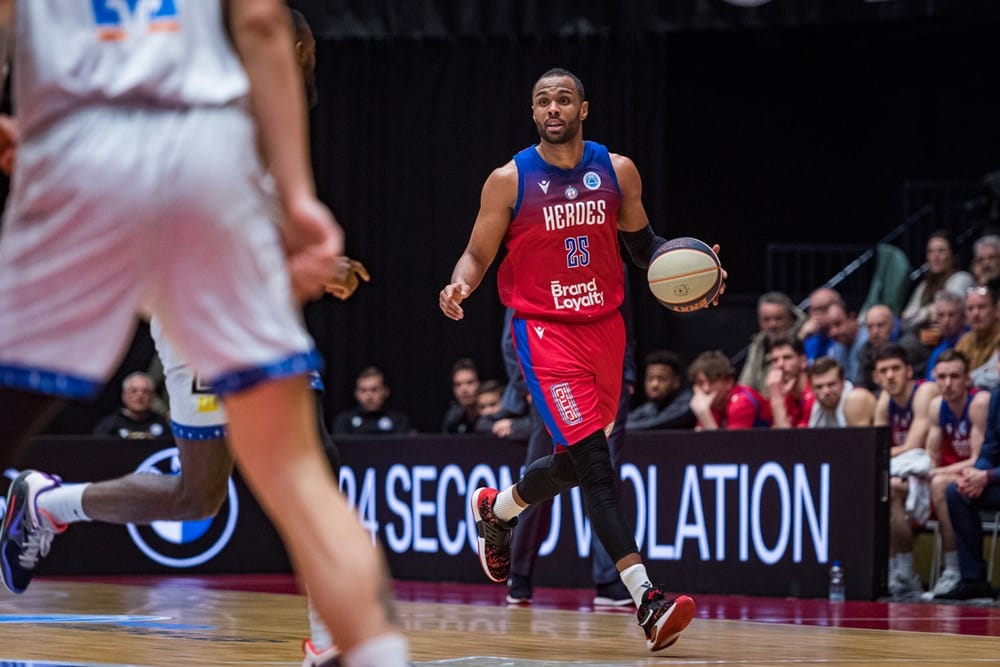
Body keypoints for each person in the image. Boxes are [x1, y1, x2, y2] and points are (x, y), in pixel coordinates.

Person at [0, 3, 408, 666]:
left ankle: (48, 504)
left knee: (204, 492)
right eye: (304, 50)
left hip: (188, 257)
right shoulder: (225, 75)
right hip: (179, 265)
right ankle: (342, 642)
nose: (308, 62)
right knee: (300, 467)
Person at [439, 68, 710, 652]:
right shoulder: (509, 180)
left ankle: (498, 509)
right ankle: (647, 600)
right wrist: (460, 285)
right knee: (596, 465)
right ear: (533, 112)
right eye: (543, 101)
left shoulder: (617, 170)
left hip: (606, 330)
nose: (553, 108)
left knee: (573, 464)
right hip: (545, 333)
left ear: (583, 109)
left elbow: (645, 248)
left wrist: (695, 269)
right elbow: (476, 254)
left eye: (564, 99)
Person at [873, 345, 941, 596]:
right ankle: (891, 571)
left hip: (934, 473)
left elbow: (914, 445)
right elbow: (877, 446)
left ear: (909, 371)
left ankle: (905, 574)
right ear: (876, 377)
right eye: (884, 371)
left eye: (896, 369)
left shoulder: (924, 391)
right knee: (876, 488)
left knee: (888, 488)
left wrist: (883, 454)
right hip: (905, 474)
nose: (890, 376)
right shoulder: (885, 401)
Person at [923, 350, 988, 598]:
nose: (948, 383)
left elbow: (977, 459)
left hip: (980, 475)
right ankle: (900, 572)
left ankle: (952, 569)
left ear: (967, 378)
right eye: (942, 377)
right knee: (896, 484)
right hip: (955, 474)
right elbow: (932, 455)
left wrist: (935, 472)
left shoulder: (978, 403)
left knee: (940, 484)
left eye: (954, 376)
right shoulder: (936, 406)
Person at [942, 354, 1000, 600]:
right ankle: (973, 579)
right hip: (995, 478)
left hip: (995, 476)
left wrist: (988, 475)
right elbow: (990, 448)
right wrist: (976, 474)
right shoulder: (996, 397)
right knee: (957, 492)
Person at [901, 230, 974, 331]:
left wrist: (921, 315)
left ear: (953, 256)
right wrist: (926, 313)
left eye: (941, 251)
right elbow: (906, 318)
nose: (935, 256)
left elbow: (945, 309)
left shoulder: (962, 279)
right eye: (931, 251)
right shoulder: (924, 285)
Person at [737, 291, 807, 394]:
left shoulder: (805, 340)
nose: (772, 324)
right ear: (759, 322)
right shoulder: (759, 343)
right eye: (766, 319)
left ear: (791, 319)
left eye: (778, 318)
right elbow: (746, 382)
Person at [688, 350, 772, 430]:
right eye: (700, 383)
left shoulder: (741, 402)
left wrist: (704, 414)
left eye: (712, 381)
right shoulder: (714, 405)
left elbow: (732, 441)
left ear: (729, 382)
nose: (706, 388)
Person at [857, 304, 928, 392]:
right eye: (870, 327)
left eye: (880, 325)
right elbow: (861, 384)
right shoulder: (866, 349)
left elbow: (906, 386)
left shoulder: (909, 347)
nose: (875, 331)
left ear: (893, 326)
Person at [625, 350, 695, 430]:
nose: (654, 384)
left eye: (661, 379)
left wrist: (618, 427)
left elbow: (653, 425)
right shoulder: (653, 406)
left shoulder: (688, 403)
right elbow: (625, 420)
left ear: (676, 382)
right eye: (650, 378)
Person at [333, 366, 414, 435]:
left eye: (374, 390)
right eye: (363, 390)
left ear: (385, 391)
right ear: (356, 393)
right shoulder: (344, 421)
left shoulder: (399, 421)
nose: (369, 396)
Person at [92, 371, 170, 440]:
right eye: (133, 391)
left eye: (145, 391)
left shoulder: (163, 424)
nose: (139, 396)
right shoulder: (109, 425)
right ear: (124, 395)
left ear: (152, 396)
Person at [805, 357, 876, 428]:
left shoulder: (857, 398)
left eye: (831, 384)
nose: (826, 391)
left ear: (842, 382)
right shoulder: (816, 406)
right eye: (819, 387)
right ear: (811, 388)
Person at [955, 284, 1000, 390]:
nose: (975, 313)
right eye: (970, 309)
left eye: (982, 307)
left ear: (996, 310)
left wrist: (967, 378)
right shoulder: (964, 341)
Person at [765, 335, 815, 429]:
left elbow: (789, 437)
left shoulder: (815, 395)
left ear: (803, 361)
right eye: (775, 360)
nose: (780, 365)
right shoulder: (786, 396)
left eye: (787, 358)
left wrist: (777, 399)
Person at [924, 290, 969, 379]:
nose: (946, 321)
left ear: (962, 316)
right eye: (941, 315)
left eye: (951, 315)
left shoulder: (973, 340)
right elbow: (930, 380)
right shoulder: (937, 352)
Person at [825, 302, 868, 386]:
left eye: (838, 324)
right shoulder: (836, 348)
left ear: (852, 318)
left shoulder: (869, 342)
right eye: (828, 328)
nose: (833, 332)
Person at [799, 287, 843, 364]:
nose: (817, 314)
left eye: (822, 309)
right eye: (813, 309)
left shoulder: (842, 338)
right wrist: (801, 336)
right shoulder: (807, 340)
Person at [441, 358, 481, 434]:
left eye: (470, 382)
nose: (464, 390)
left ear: (480, 384)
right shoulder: (452, 419)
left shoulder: (491, 416)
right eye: (458, 384)